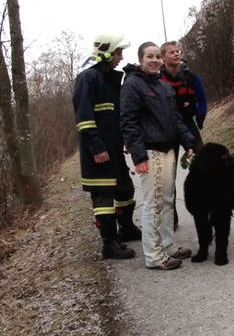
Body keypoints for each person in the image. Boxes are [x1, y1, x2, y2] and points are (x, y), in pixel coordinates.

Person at [120, 41, 196, 270]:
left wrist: (188, 141)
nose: (154, 60)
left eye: (156, 57)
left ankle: (168, 245)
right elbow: (128, 121)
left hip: (169, 150)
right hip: (149, 151)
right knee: (153, 202)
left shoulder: (163, 86)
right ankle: (154, 255)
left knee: (167, 199)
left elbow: (175, 118)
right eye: (149, 57)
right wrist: (138, 155)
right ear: (141, 60)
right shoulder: (133, 84)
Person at [72, 30, 142, 260]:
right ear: (107, 52)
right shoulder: (88, 78)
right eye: (118, 52)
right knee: (103, 199)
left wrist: (125, 139)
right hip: (98, 153)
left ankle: (126, 228)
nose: (121, 57)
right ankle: (109, 245)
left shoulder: (110, 78)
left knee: (125, 190)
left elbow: (115, 115)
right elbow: (84, 117)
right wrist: (97, 147)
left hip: (113, 149)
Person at [160, 41, 208, 231]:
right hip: (168, 128)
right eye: (171, 52)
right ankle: (172, 216)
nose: (176, 54)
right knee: (168, 173)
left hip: (189, 126)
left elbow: (202, 99)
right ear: (163, 57)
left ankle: (207, 206)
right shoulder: (158, 80)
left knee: (203, 167)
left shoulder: (192, 77)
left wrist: (201, 118)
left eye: (177, 51)